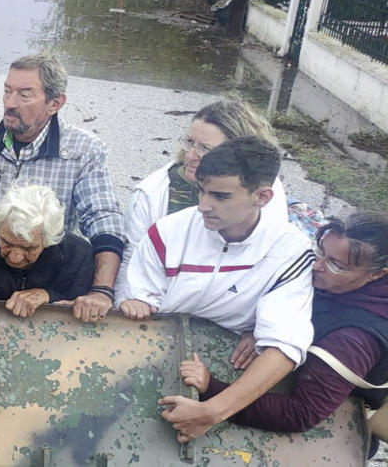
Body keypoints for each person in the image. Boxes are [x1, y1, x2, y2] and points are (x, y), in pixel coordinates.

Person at [118, 136, 314, 443]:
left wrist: (210, 412)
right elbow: (138, 306)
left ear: (262, 196)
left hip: (231, 374)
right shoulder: (167, 232)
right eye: (202, 191)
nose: (203, 206)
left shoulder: (291, 251)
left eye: (220, 197)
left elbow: (284, 347)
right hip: (152, 363)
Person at [0, 54, 124, 322]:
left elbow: (104, 221)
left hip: (50, 271)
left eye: (24, 95)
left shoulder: (84, 151)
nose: (10, 103)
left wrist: (101, 290)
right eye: (7, 91)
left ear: (55, 103)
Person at [179, 213, 388, 433]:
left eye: (335, 265)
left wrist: (210, 388)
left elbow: (300, 414)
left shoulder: (353, 341)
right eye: (320, 252)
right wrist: (260, 326)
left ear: (377, 275)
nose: (316, 266)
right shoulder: (335, 279)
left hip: (329, 421)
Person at [119, 99, 289, 304]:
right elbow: (130, 263)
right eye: (190, 143)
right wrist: (126, 305)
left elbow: (271, 262)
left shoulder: (264, 190)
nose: (191, 155)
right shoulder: (151, 193)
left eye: (205, 149)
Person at [0, 185, 94, 318]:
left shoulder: (78, 256)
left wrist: (49, 296)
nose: (15, 258)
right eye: (6, 242)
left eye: (29, 248)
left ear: (48, 240)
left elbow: (80, 309)